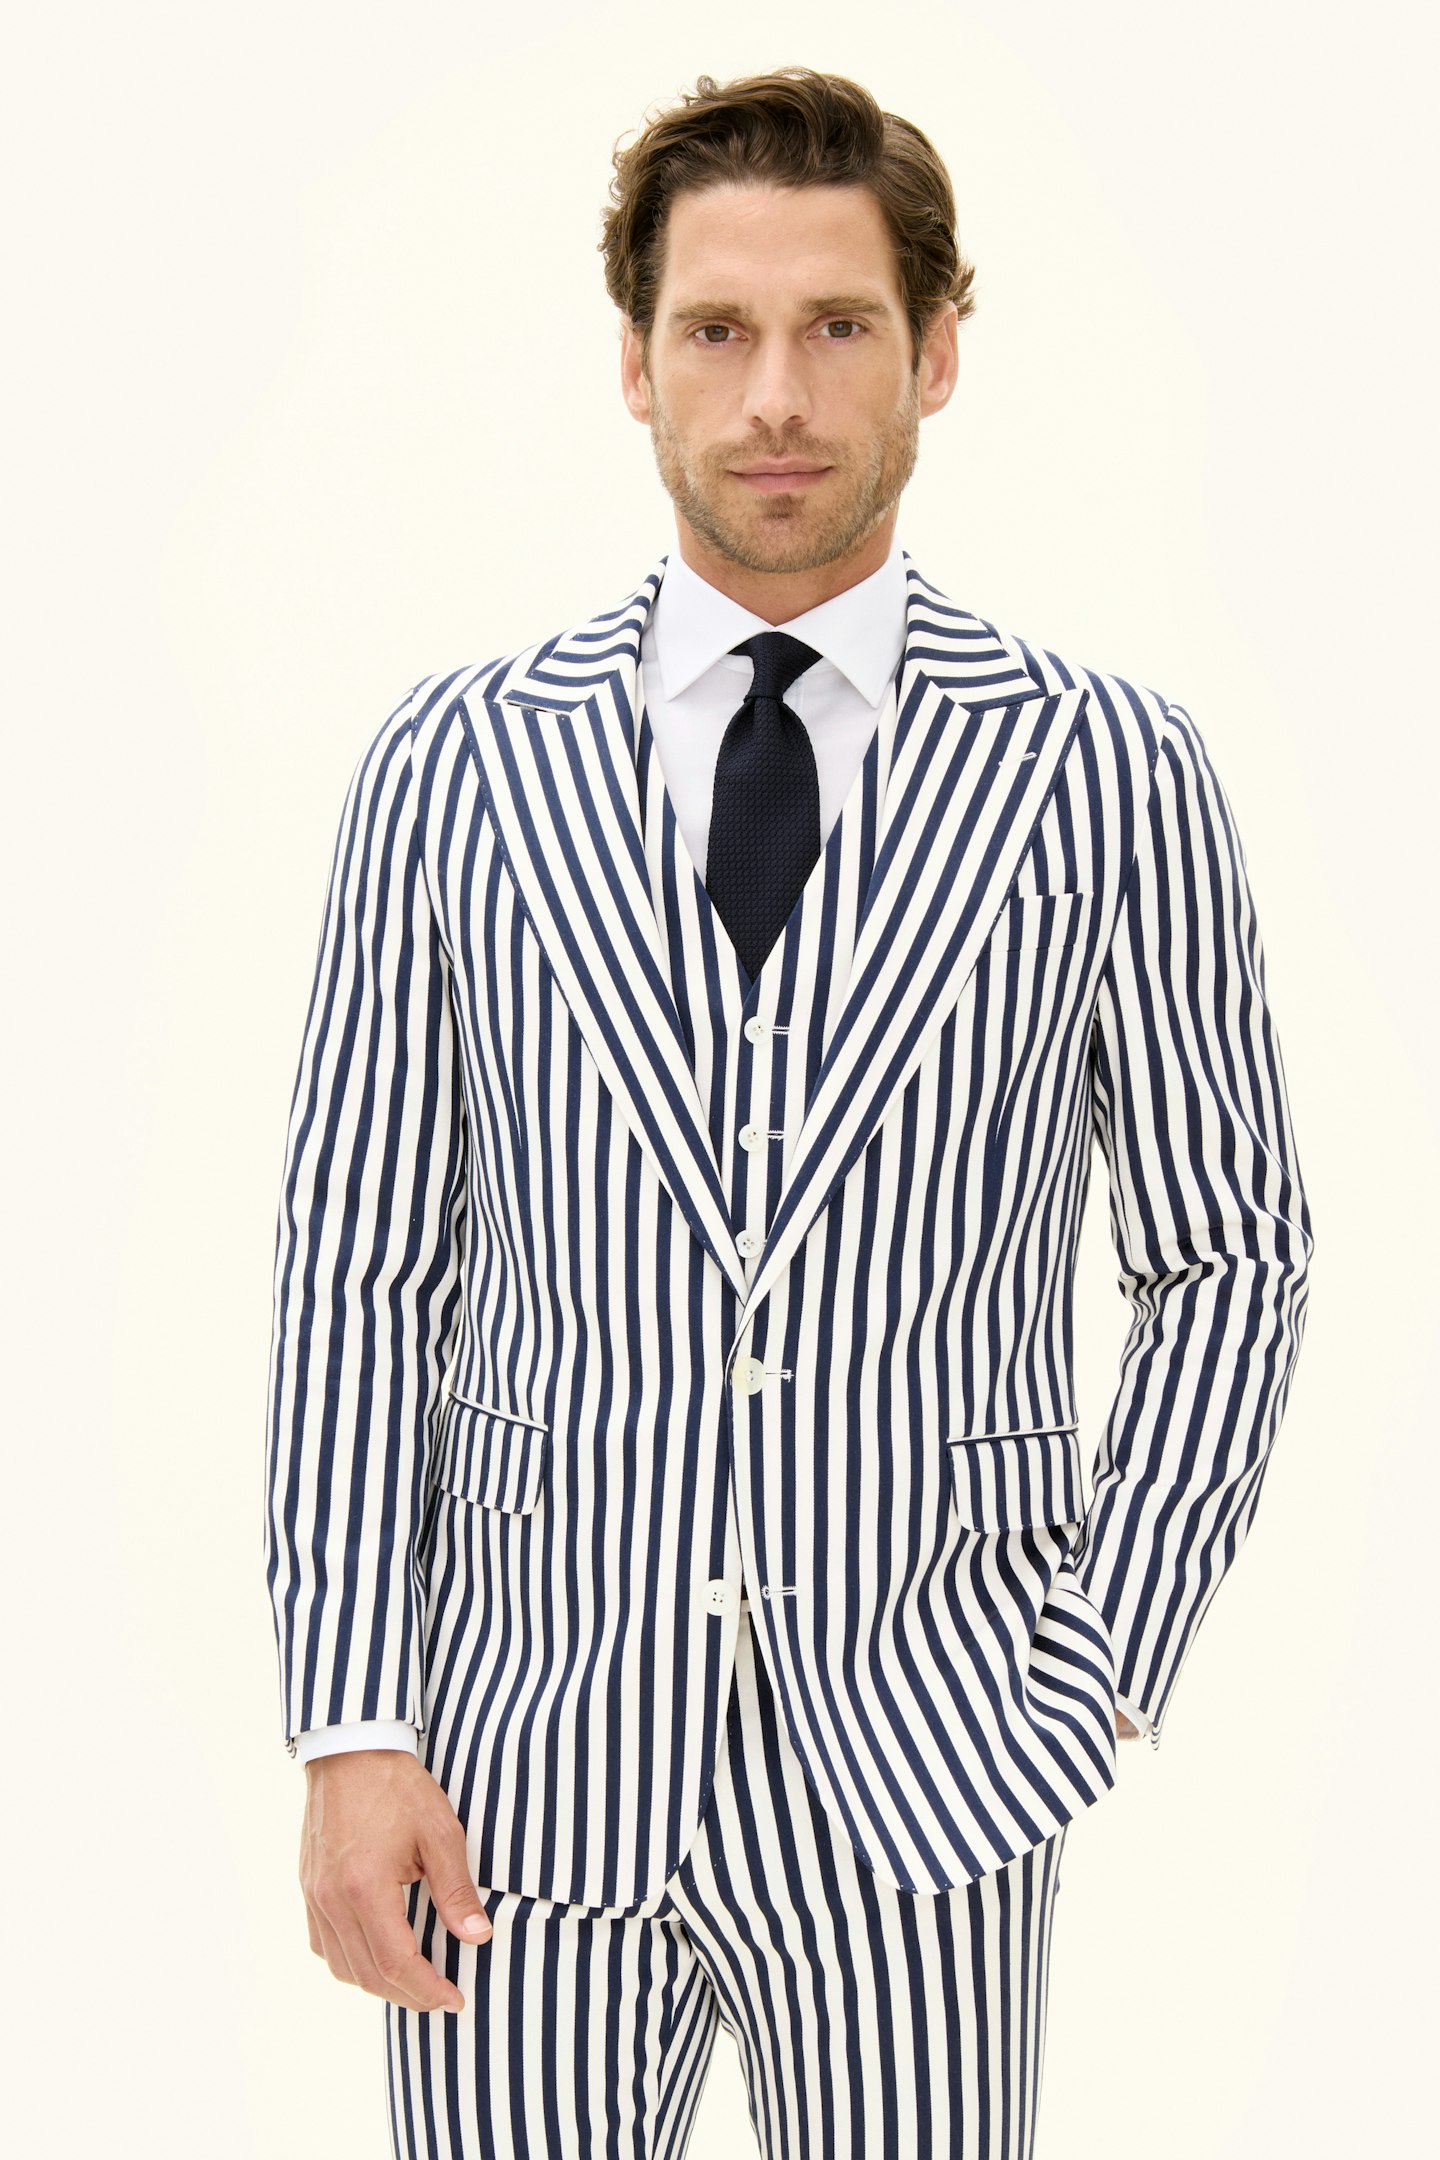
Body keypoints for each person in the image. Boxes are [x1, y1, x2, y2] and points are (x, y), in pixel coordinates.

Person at [263, 64, 1313, 2160]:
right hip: (515, 1776)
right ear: (633, 363)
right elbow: (362, 1269)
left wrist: (1094, 1664)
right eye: (717, 329)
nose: (775, 398)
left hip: (934, 1777)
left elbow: (1230, 1254)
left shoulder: (1109, 774)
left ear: (938, 353)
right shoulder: (449, 771)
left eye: (839, 326)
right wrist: (353, 1720)